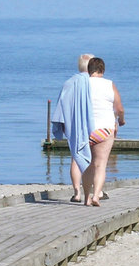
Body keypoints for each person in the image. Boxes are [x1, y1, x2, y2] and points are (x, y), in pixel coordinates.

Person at [51, 54, 94, 202]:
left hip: (73, 124)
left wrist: (61, 124)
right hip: (91, 123)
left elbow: (61, 105)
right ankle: (95, 191)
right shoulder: (92, 82)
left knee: (75, 157)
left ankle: (77, 192)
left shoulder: (69, 82)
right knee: (93, 158)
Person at [82, 57, 124, 207]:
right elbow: (119, 109)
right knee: (101, 165)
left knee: (87, 164)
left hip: (86, 129)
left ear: (88, 70)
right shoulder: (109, 84)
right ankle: (96, 196)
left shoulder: (82, 84)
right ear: (102, 70)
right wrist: (121, 120)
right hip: (105, 129)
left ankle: (86, 198)